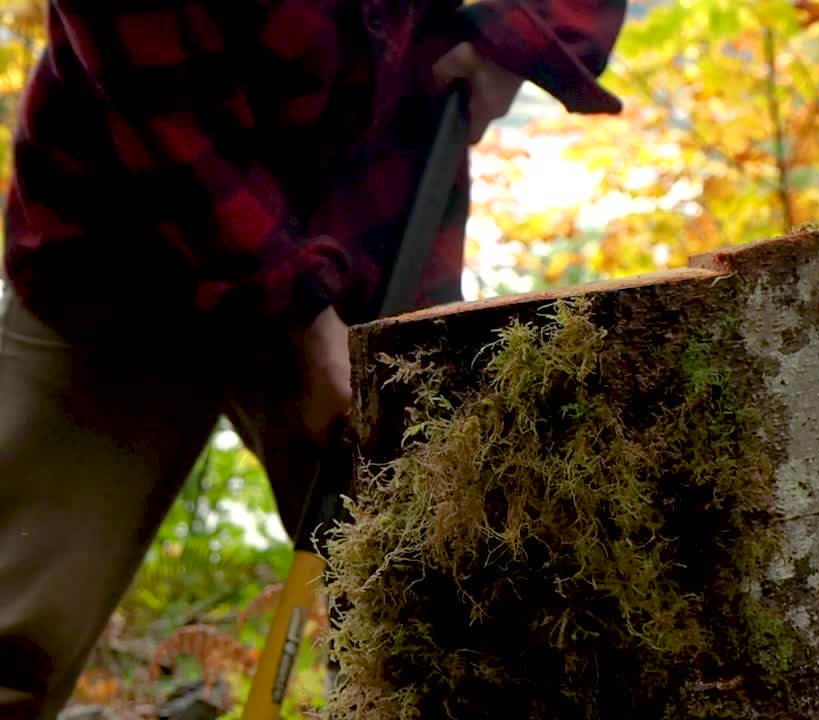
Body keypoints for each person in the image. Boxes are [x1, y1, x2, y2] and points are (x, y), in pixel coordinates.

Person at [0, 0, 626, 716]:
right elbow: (166, 117)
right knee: (14, 632)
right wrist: (297, 311)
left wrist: (521, 39)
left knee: (446, 622)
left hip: (379, 218)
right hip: (122, 253)